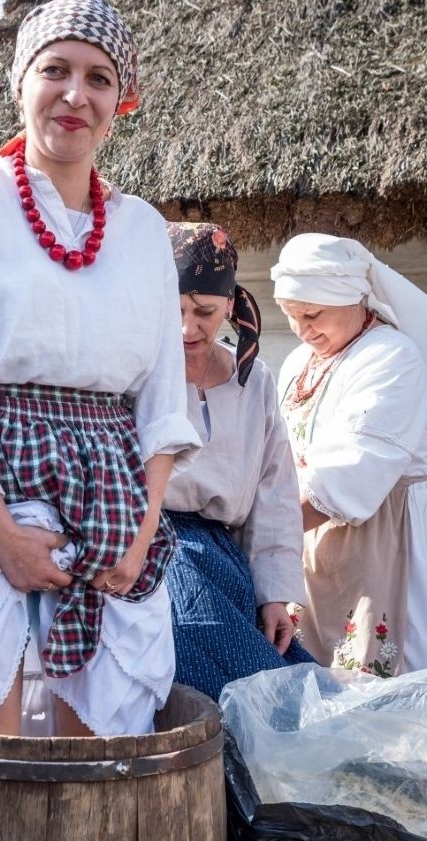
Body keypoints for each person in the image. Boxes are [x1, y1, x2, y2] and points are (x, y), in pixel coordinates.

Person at [0, 0, 199, 737]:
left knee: (106, 729)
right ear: (19, 81)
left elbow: (161, 391)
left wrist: (142, 526)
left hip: (112, 490)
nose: (73, 94)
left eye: (97, 79)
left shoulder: (142, 229)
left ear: (121, 100)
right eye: (54, 70)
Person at [273, 233, 427, 675]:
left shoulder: (393, 358)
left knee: (390, 686)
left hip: (391, 536)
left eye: (312, 314)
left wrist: (262, 536)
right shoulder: (299, 362)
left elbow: (348, 476)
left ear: (355, 299)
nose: (302, 329)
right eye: (290, 316)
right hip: (315, 537)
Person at [161, 222, 314, 701]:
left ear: (230, 304)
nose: (190, 327)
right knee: (202, 655)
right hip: (155, 546)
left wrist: (273, 593)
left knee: (279, 671)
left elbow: (274, 494)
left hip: (224, 556)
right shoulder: (139, 372)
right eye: (178, 309)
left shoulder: (257, 382)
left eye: (205, 312)